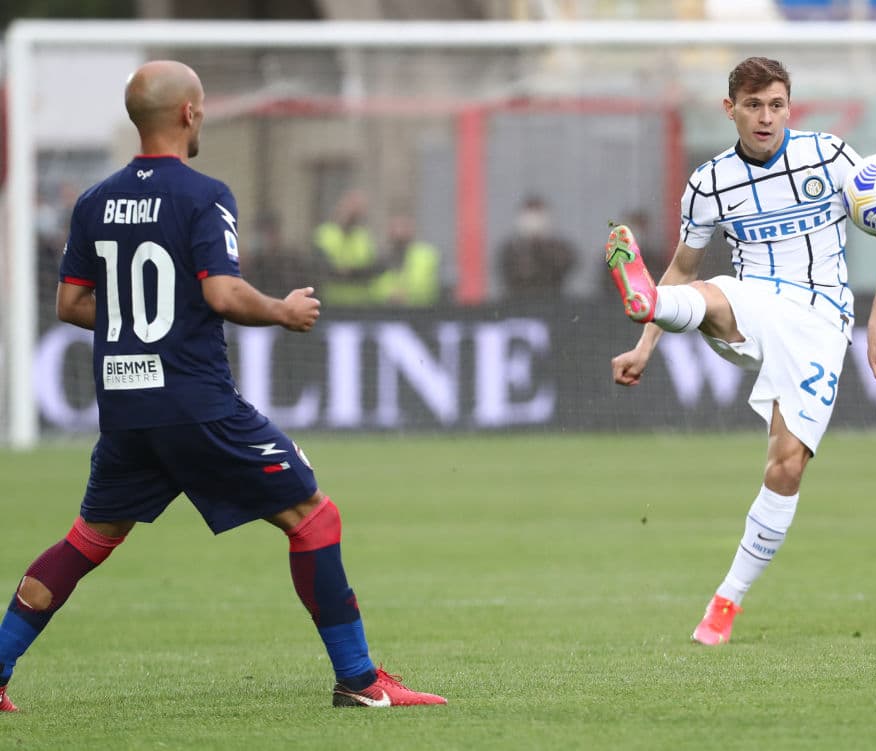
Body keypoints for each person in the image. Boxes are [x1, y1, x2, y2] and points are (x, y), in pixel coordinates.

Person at [0, 60, 446, 712]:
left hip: (126, 407)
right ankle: (360, 679)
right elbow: (222, 291)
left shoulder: (94, 200)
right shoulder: (203, 194)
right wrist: (283, 310)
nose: (203, 114)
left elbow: (70, 304)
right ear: (187, 113)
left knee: (85, 540)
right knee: (314, 516)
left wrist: (142, 326)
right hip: (194, 402)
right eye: (202, 106)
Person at [604, 56, 876, 645]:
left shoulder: (830, 156)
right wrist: (644, 345)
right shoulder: (709, 182)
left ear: (788, 106)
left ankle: (725, 603)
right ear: (731, 110)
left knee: (787, 466)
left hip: (823, 320)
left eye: (776, 105)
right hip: (752, 302)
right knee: (711, 294)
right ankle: (650, 307)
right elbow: (684, 266)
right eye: (753, 105)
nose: (765, 117)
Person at [312, 189, 393, 307]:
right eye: (350, 208)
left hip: (360, 305)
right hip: (331, 304)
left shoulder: (364, 237)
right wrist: (354, 274)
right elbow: (323, 269)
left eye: (358, 210)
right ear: (340, 207)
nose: (353, 214)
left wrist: (348, 273)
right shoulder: (324, 234)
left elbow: (373, 270)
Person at [499, 195, 576, 299]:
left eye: (537, 214)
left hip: (553, 302)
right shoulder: (511, 250)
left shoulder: (560, 249)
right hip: (517, 302)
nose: (533, 221)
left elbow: (565, 265)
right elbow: (513, 274)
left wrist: (541, 248)